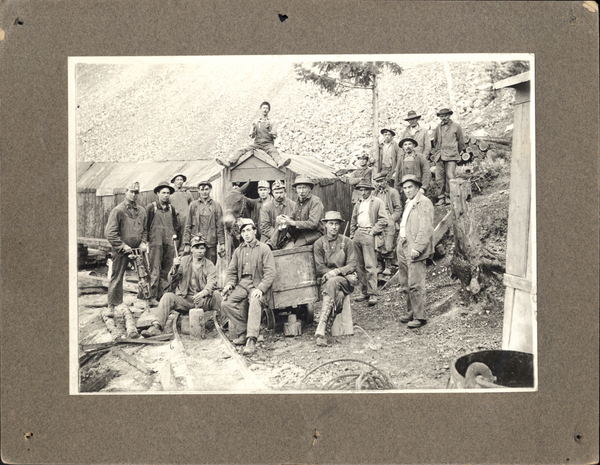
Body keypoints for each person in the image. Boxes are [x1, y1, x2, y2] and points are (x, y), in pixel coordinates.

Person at [140, 235, 222, 337]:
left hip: (203, 300)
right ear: (191, 249)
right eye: (196, 248)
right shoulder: (183, 261)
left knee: (217, 294)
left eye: (202, 248)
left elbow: (211, 283)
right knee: (167, 297)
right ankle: (156, 326)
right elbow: (171, 280)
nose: (200, 251)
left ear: (205, 249)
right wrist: (175, 267)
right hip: (185, 300)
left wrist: (203, 293)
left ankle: (225, 323)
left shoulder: (209, 264)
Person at [221, 219, 276, 356]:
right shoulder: (238, 251)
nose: (246, 234)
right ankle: (244, 330)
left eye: (249, 230)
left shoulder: (264, 248)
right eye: (243, 231)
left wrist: (260, 289)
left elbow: (270, 273)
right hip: (242, 284)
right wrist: (229, 284)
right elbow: (232, 271)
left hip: (256, 284)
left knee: (255, 301)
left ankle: (251, 339)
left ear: (255, 231)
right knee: (226, 303)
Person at [104, 181, 148, 338]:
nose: (133, 194)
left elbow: (145, 229)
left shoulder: (141, 211)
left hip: (137, 250)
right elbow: (110, 233)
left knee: (144, 276)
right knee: (117, 278)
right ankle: (111, 305)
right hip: (122, 251)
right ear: (125, 192)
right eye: (131, 191)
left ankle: (145, 303)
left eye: (136, 192)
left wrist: (143, 242)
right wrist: (122, 246)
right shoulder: (118, 211)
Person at [313, 211, 358, 346]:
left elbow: (352, 264)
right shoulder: (319, 244)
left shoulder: (347, 242)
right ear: (325, 225)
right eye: (331, 224)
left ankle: (321, 326)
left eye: (336, 224)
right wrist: (330, 274)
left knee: (334, 281)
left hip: (345, 282)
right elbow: (319, 267)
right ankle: (324, 331)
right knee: (337, 294)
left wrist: (337, 272)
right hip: (326, 282)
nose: (334, 227)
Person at [397, 174, 435, 329]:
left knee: (416, 283)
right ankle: (411, 311)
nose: (407, 190)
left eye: (410, 187)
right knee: (405, 282)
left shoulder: (424, 203)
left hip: (414, 247)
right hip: (404, 244)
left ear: (418, 187)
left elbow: (426, 228)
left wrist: (417, 248)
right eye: (405, 188)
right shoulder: (409, 203)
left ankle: (420, 316)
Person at [216, 101, 291, 169]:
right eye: (263, 108)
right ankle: (229, 162)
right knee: (243, 150)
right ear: (260, 109)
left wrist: (269, 130)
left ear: (269, 110)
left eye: (266, 108)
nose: (265, 110)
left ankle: (280, 163)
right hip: (257, 143)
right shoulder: (255, 122)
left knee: (274, 152)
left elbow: (274, 136)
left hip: (268, 144)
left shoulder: (272, 122)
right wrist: (252, 131)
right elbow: (251, 136)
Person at [349, 180, 388, 306]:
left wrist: (373, 231)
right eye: (361, 190)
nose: (363, 192)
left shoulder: (377, 202)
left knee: (370, 266)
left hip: (369, 234)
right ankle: (364, 292)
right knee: (359, 266)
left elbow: (384, 220)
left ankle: (372, 294)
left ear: (370, 190)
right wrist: (352, 234)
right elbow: (353, 220)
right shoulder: (358, 203)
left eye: (366, 189)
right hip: (358, 234)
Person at [146, 181, 180, 306]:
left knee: (167, 270)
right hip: (155, 243)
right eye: (163, 193)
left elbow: (176, 226)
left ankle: (164, 296)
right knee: (155, 269)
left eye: (168, 193)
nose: (166, 195)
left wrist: (175, 237)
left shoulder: (172, 209)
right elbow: (146, 226)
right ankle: (152, 297)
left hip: (169, 244)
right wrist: (146, 242)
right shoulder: (152, 208)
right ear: (158, 194)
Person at [183, 180, 225, 265]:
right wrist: (187, 243)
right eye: (202, 189)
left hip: (211, 243)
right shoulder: (193, 205)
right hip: (197, 243)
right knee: (196, 268)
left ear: (210, 189)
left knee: (211, 267)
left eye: (206, 189)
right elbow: (188, 225)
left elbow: (220, 226)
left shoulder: (216, 205)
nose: (204, 192)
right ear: (198, 190)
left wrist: (222, 243)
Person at [275, 176, 324, 249]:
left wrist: (293, 223)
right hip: (300, 233)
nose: (301, 191)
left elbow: (313, 224)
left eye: (304, 188)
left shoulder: (315, 202)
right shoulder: (298, 201)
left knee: (295, 250)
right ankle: (271, 245)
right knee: (280, 233)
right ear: (296, 190)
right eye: (299, 188)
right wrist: (284, 218)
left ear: (309, 189)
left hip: (314, 234)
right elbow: (293, 216)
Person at [432, 108, 465, 206]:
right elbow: (435, 141)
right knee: (439, 178)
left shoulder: (456, 127)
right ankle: (441, 198)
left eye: (446, 116)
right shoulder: (438, 128)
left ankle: (450, 197)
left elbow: (461, 142)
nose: (443, 118)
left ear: (449, 116)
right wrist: (438, 151)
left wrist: (455, 152)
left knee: (450, 176)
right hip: (440, 156)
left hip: (452, 156)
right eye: (441, 116)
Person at [373, 171, 402, 276]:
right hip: (378, 220)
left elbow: (398, 208)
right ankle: (380, 265)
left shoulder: (393, 192)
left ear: (386, 181)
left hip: (389, 219)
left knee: (388, 244)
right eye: (377, 182)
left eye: (381, 181)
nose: (379, 184)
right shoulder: (374, 193)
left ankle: (388, 266)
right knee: (377, 243)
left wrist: (392, 219)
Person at [259, 179, 297, 250]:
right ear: (272, 193)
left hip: (288, 238)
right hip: (269, 237)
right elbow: (265, 227)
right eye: (276, 193)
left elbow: (295, 224)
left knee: (290, 251)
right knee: (264, 251)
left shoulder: (293, 205)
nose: (279, 195)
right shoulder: (266, 207)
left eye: (281, 192)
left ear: (285, 192)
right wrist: (278, 236)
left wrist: (286, 236)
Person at [169, 173, 193, 251]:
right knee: (174, 238)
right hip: (174, 219)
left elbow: (192, 205)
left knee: (184, 237)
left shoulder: (187, 193)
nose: (179, 181)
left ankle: (183, 255)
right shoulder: (170, 193)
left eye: (181, 180)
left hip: (185, 219)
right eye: (177, 180)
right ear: (174, 181)